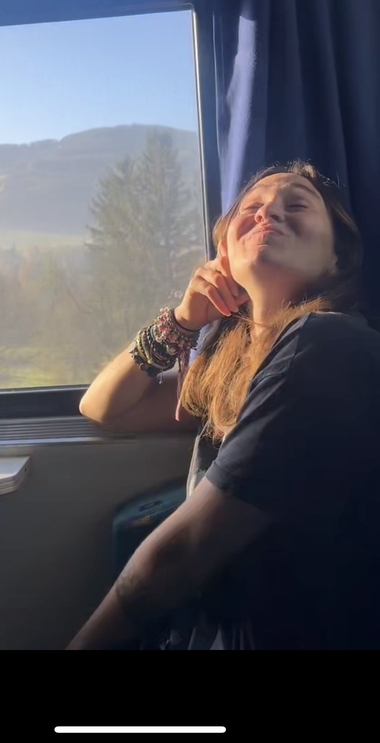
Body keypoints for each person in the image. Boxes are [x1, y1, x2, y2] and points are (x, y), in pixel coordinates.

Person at [67, 161, 380, 650]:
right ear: (224, 254)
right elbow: (105, 405)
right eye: (251, 208)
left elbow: (182, 555)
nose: (268, 213)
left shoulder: (327, 345)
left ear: (338, 259)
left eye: (295, 205)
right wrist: (182, 321)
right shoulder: (234, 368)